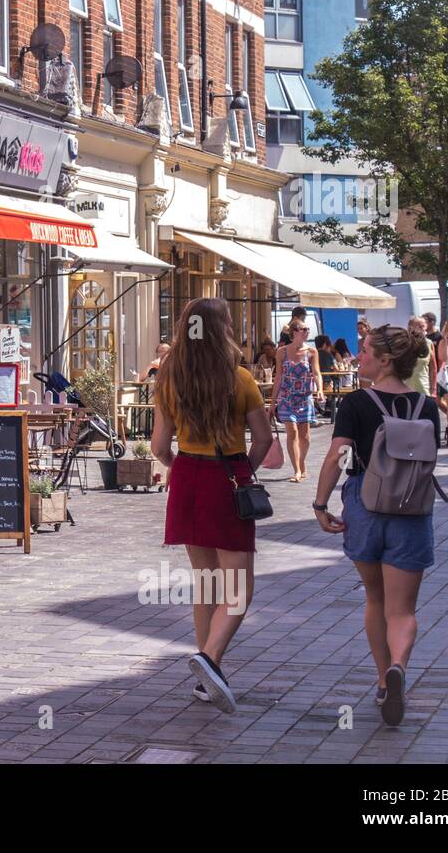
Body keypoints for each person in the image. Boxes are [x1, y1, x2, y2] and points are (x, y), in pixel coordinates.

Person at [312, 325, 440, 727]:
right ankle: (400, 665)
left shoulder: (356, 403)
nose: (359, 356)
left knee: (375, 598)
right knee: (403, 609)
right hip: (412, 511)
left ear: (385, 360)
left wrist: (320, 503)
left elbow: (337, 457)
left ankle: (383, 680)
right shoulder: (426, 405)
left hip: (365, 508)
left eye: (366, 350)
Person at [151, 297, 273, 713]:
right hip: (228, 476)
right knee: (238, 589)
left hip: (187, 475)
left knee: (206, 583)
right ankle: (209, 660)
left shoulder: (170, 378)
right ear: (223, 329)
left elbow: (158, 446)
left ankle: (207, 676)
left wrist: (179, 466)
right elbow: (264, 439)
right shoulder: (240, 379)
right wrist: (245, 471)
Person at [269, 317, 324, 482]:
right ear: (294, 333)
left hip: (304, 397)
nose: (307, 331)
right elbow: (278, 377)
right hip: (286, 397)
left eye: (308, 329)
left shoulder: (312, 352)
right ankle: (297, 470)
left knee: (305, 435)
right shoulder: (282, 352)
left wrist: (320, 389)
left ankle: (301, 462)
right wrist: (273, 402)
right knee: (292, 431)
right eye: (304, 329)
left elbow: (316, 373)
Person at [402, 316, 438, 399]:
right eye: (419, 326)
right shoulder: (404, 343)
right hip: (405, 387)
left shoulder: (429, 343)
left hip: (423, 387)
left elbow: (433, 368)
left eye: (423, 326)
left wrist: (434, 389)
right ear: (410, 328)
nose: (423, 329)